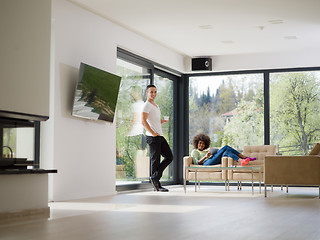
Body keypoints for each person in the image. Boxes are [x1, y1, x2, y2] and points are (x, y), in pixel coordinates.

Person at [141, 84, 173, 192]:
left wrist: (161, 121)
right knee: (155, 161)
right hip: (153, 137)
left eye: (155, 92)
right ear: (147, 93)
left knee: (169, 157)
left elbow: (153, 120)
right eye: (151, 92)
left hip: (159, 135)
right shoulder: (146, 105)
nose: (153, 94)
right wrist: (152, 133)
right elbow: (143, 121)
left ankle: (155, 177)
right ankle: (157, 185)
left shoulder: (156, 105)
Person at [191, 133, 256, 166]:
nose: (201, 145)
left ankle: (242, 161)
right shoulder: (195, 151)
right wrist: (205, 157)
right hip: (205, 163)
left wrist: (217, 150)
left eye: (203, 144)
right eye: (200, 143)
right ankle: (244, 157)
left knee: (227, 152)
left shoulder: (206, 151)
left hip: (212, 160)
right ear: (196, 143)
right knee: (226, 147)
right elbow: (197, 163)